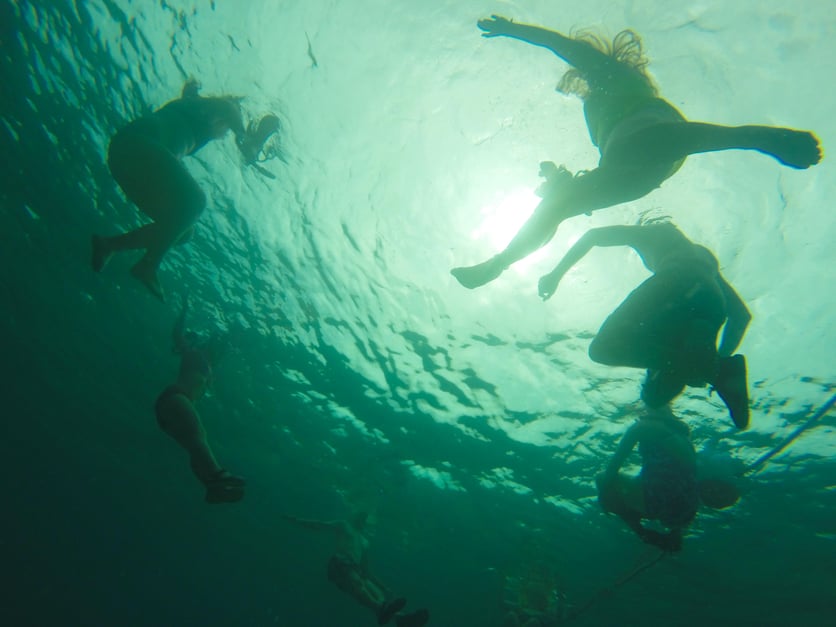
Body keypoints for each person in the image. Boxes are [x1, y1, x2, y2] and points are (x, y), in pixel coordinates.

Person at [451, 16, 822, 290]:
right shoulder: (596, 102)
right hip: (637, 171)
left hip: (647, 140)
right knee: (557, 205)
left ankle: (765, 139)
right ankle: (500, 262)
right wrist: (561, 181)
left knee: (658, 144)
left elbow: (560, 45)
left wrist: (511, 29)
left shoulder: (604, 69)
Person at [538, 221, 751, 429]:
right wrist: (719, 359)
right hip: (712, 301)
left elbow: (593, 235)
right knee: (656, 391)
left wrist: (555, 275)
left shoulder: (652, 233)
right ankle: (716, 371)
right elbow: (741, 316)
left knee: (603, 349)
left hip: (676, 280)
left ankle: (707, 370)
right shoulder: (703, 258)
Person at [92, 78, 280, 300]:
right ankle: (147, 267)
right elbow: (232, 116)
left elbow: (191, 100)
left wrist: (191, 92)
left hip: (128, 163)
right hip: (135, 145)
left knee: (183, 231)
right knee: (195, 202)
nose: (224, 133)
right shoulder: (220, 108)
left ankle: (108, 245)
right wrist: (251, 139)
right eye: (227, 128)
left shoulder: (191, 108)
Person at [596, 405, 740, 552]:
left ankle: (643, 531)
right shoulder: (679, 439)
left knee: (603, 479)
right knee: (604, 479)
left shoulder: (656, 429)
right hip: (676, 505)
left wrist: (608, 482)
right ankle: (660, 532)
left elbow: (640, 428)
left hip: (655, 496)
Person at [154, 294, 245, 503]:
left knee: (193, 446)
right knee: (197, 436)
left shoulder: (209, 368)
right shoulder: (193, 352)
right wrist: (185, 311)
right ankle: (216, 474)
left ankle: (211, 485)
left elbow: (224, 348)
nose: (219, 350)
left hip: (172, 408)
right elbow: (177, 334)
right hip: (176, 399)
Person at [282, 511, 430, 627]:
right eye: (361, 513)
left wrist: (383, 587)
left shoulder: (364, 542)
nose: (363, 516)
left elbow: (366, 570)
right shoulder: (344, 525)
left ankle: (401, 619)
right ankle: (384, 611)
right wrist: (296, 521)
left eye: (365, 516)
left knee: (375, 592)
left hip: (357, 569)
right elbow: (320, 525)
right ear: (354, 515)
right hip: (341, 563)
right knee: (357, 583)